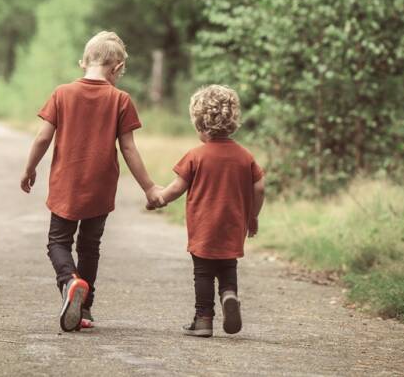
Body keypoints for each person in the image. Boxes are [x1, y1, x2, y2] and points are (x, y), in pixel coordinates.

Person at [20, 31, 161, 332]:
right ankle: (84, 309)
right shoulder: (120, 99)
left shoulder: (62, 93)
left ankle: (70, 281)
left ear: (84, 62)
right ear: (117, 68)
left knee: (58, 242)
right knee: (90, 246)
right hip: (100, 186)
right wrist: (149, 187)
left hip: (65, 185)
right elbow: (128, 149)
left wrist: (30, 168)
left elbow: (43, 137)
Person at [147, 84, 265, 337]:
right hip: (233, 225)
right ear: (233, 119)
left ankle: (203, 319)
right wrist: (253, 216)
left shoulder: (196, 156)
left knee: (203, 272)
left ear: (200, 125)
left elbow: (177, 188)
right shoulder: (245, 157)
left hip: (203, 227)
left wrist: (159, 199)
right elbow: (260, 186)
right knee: (227, 266)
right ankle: (229, 294)